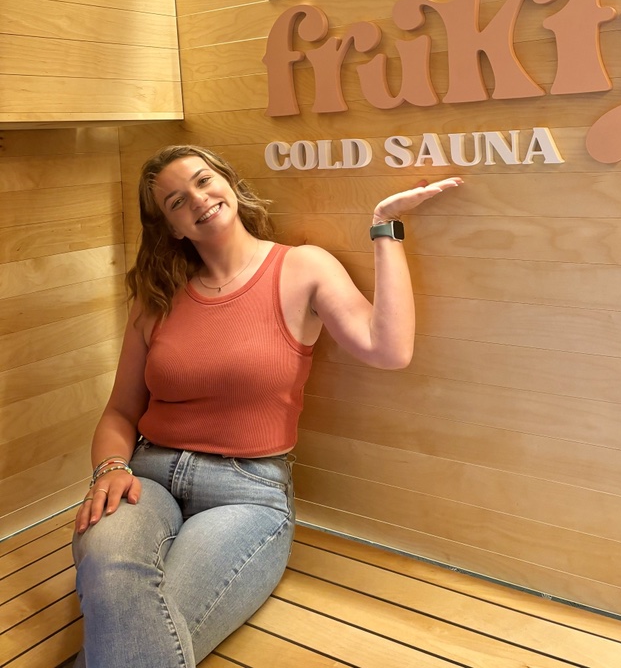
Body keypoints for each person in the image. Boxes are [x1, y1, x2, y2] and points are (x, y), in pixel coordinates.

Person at [70, 144, 461, 668]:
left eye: (205, 181)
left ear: (228, 182)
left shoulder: (301, 267)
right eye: (177, 202)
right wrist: (110, 467)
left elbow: (389, 349)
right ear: (173, 228)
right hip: (148, 476)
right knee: (110, 569)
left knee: (143, 622)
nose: (199, 200)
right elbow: (120, 411)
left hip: (245, 493)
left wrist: (384, 226)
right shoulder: (157, 296)